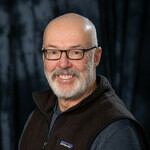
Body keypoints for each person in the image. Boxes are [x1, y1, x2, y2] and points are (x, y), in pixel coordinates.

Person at [18, 13, 148, 150]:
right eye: (53, 52)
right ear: (44, 57)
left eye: (75, 52)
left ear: (96, 57)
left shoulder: (117, 132)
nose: (63, 64)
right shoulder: (37, 117)